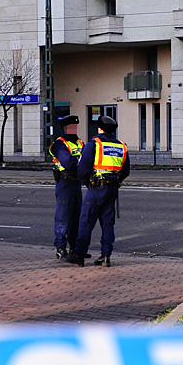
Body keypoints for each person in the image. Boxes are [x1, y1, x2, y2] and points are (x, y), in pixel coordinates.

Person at [62, 115, 130, 268]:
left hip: (96, 189)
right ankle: (106, 256)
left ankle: (79, 255)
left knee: (86, 222)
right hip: (112, 189)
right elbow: (125, 171)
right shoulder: (122, 146)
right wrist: (115, 181)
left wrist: (89, 183)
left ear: (100, 129)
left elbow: (83, 169)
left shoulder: (94, 144)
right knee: (108, 224)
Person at [48, 115, 84, 261]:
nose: (73, 129)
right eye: (70, 127)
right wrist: (83, 164)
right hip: (65, 183)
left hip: (76, 183)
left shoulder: (80, 142)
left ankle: (74, 247)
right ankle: (61, 247)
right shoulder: (60, 144)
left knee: (76, 217)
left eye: (74, 127)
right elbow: (69, 163)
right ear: (65, 128)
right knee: (63, 217)